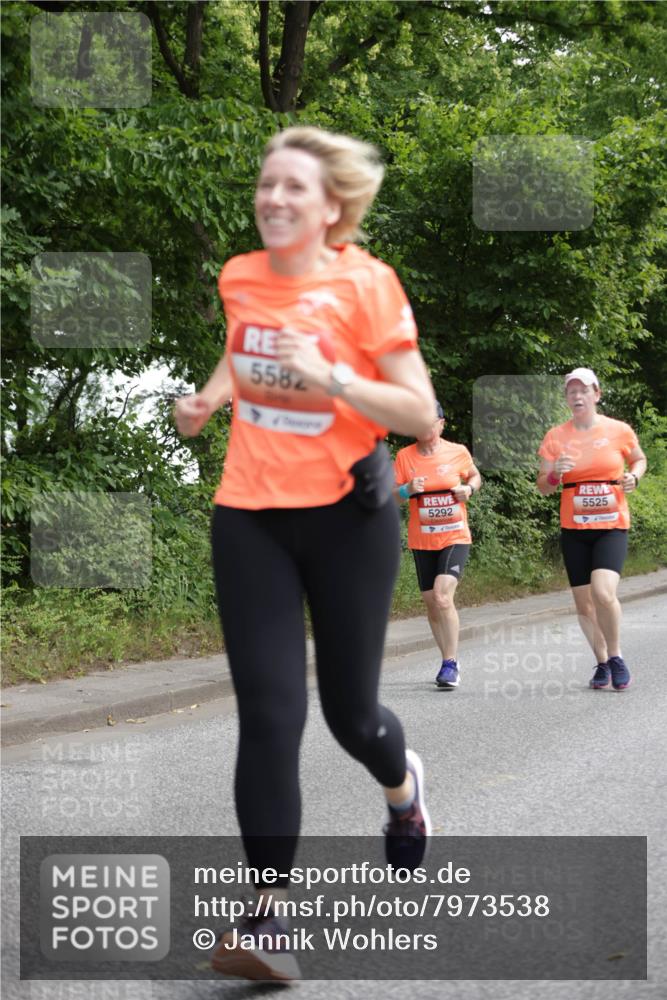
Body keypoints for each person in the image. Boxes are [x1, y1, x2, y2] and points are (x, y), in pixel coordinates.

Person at [174, 126, 437, 981]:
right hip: (248, 515)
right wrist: (209, 397)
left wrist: (331, 377)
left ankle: (403, 793)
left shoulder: (367, 285)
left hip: (347, 519)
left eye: (294, 187)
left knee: (350, 717)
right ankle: (267, 920)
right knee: (269, 714)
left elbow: (420, 415)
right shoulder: (240, 275)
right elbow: (240, 345)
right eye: (267, 184)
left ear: (332, 207)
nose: (273, 198)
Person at [537, 368, 647, 691]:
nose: (577, 396)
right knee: (584, 604)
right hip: (574, 529)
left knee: (603, 592)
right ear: (566, 399)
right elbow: (543, 486)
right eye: (571, 391)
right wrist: (555, 474)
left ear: (596, 394)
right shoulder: (555, 437)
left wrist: (634, 476)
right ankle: (601, 663)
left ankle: (616, 656)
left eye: (583, 390)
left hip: (611, 525)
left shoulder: (619, 430)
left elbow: (639, 459)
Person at [394, 404, 481, 689]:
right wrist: (407, 489)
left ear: (441, 423)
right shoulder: (405, 457)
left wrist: (469, 489)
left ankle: (450, 663)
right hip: (422, 539)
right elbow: (391, 497)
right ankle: (447, 658)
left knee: (443, 596)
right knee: (432, 603)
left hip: (455, 536)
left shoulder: (458, 452)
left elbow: (475, 476)